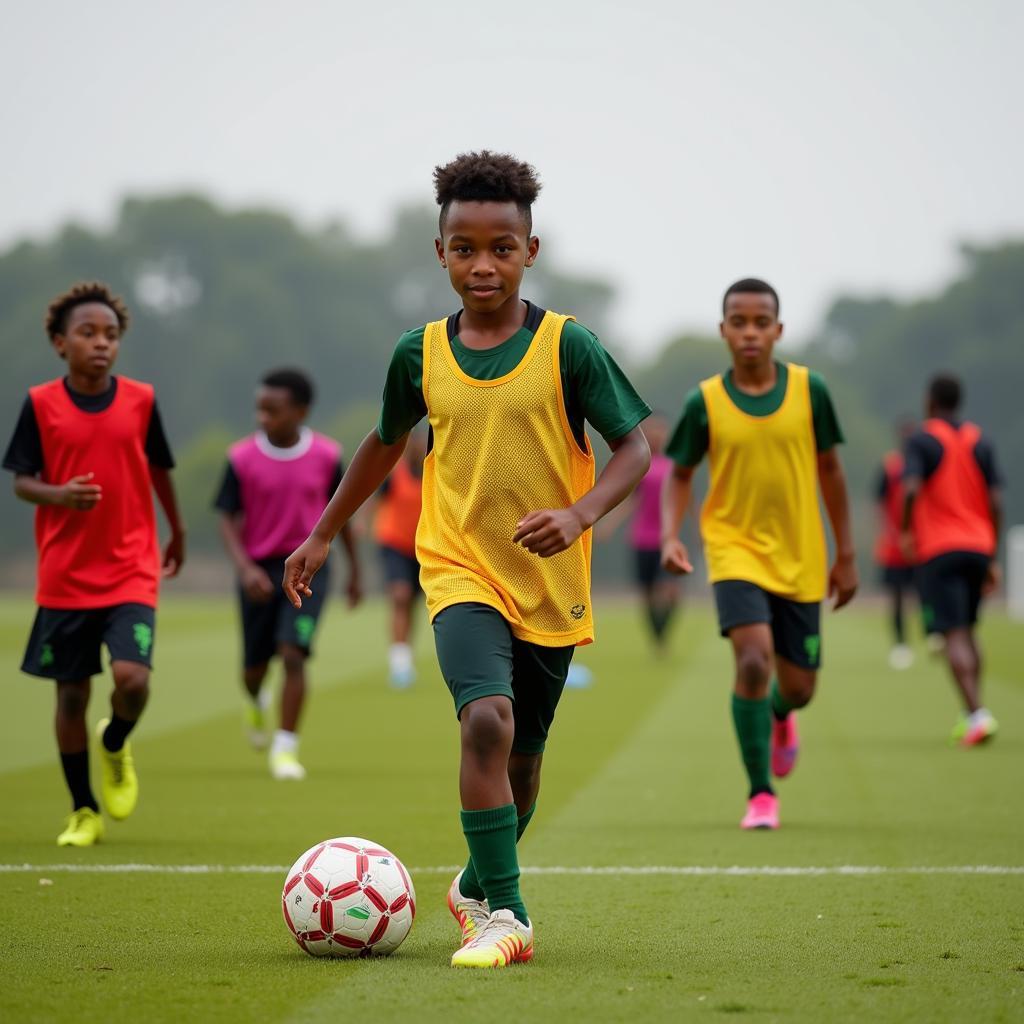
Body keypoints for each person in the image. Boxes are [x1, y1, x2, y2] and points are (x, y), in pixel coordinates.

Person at [283, 151, 651, 967]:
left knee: (523, 770)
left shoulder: (570, 347)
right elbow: (384, 446)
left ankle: (477, 883)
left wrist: (581, 513)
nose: (482, 265)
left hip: (551, 584)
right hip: (457, 570)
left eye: (501, 247)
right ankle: (507, 917)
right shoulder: (419, 354)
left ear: (531, 251)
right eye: (464, 248)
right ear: (440, 251)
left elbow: (634, 447)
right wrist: (323, 533)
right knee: (486, 720)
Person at [661, 278, 857, 831]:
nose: (750, 332)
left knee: (798, 689)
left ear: (779, 330)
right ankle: (760, 794)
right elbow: (679, 474)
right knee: (752, 660)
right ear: (724, 331)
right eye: (739, 322)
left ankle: (777, 714)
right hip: (733, 550)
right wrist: (673, 534)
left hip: (800, 556)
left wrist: (847, 555)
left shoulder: (809, 390)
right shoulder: (706, 401)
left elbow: (832, 472)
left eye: (761, 322)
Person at [2, 281, 185, 847]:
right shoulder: (40, 404)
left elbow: (157, 468)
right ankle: (83, 811)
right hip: (65, 573)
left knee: (132, 680)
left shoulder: (140, 399)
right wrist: (58, 495)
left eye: (110, 334)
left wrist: (175, 531)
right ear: (60, 343)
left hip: (130, 564)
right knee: (72, 696)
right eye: (87, 333)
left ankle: (115, 741)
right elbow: (23, 482)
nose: (101, 343)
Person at [214, 368, 361, 780]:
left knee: (294, 655)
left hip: (308, 569)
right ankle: (255, 698)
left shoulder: (328, 456)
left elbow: (342, 515)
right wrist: (244, 569)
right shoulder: (240, 458)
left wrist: (354, 572)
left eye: (273, 410)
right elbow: (227, 518)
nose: (263, 417)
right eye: (260, 409)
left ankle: (285, 748)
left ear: (300, 411)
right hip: (259, 572)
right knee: (253, 670)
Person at [901, 374, 1002, 746]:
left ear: (930, 401)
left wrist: (907, 529)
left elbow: (910, 488)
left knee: (953, 632)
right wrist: (991, 550)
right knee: (970, 630)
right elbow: (996, 500)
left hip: (940, 547)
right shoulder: (981, 440)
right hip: (978, 545)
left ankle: (976, 714)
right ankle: (973, 710)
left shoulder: (922, 439)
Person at [596, 412, 683, 652]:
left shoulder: (674, 465)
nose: (656, 437)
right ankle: (657, 636)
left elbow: (685, 498)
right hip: (642, 539)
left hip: (666, 540)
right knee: (646, 594)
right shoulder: (641, 464)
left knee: (670, 591)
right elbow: (630, 501)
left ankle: (663, 630)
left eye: (660, 432)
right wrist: (608, 524)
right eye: (652, 432)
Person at [372, 428, 425, 688]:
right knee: (400, 596)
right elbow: (373, 497)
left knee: (413, 602)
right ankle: (399, 662)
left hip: (423, 545)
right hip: (393, 541)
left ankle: (406, 654)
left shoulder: (434, 471)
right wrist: (361, 522)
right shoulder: (394, 474)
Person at [873, 420, 917, 669]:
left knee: (927, 594)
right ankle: (901, 643)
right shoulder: (891, 466)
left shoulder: (925, 463)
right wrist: (889, 531)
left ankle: (935, 634)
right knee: (897, 597)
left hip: (922, 542)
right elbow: (879, 501)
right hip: (895, 542)